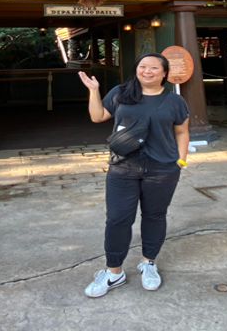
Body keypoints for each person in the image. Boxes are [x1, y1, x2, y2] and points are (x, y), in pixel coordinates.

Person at [78, 52, 189, 297]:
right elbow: (98, 117)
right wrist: (94, 91)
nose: (147, 71)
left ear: (164, 73)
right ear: (136, 69)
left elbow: (182, 132)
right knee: (117, 219)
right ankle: (113, 272)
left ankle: (148, 262)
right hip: (123, 167)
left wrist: (180, 160)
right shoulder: (120, 92)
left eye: (153, 68)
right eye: (142, 66)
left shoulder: (174, 101)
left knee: (155, 216)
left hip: (162, 169)